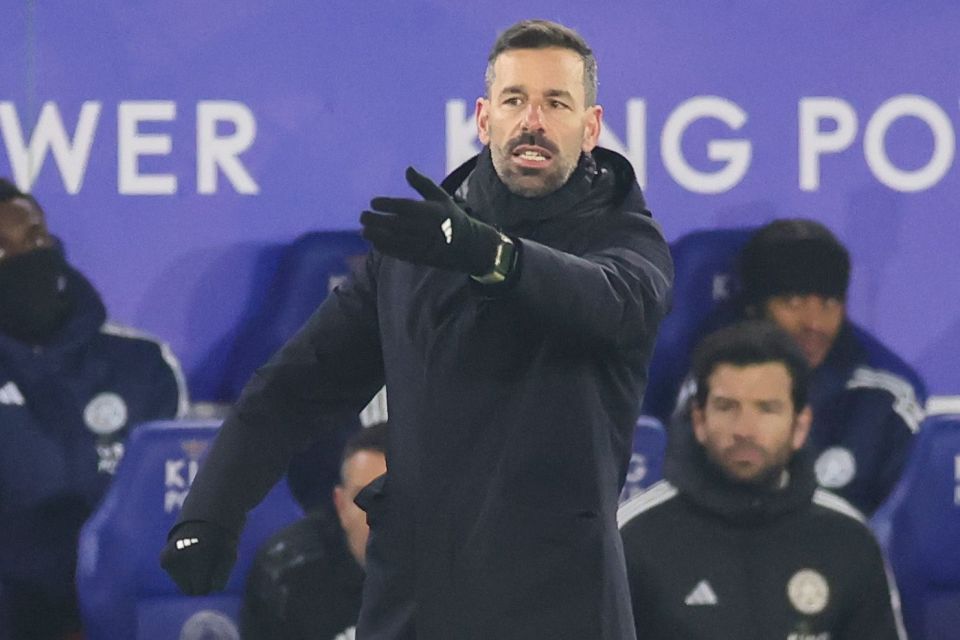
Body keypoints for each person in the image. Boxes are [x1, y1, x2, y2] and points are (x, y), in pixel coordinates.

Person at [160, 18, 673, 640]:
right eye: (515, 100)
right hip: (418, 601)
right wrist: (211, 510)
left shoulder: (626, 241)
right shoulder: (419, 246)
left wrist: (491, 254)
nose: (532, 121)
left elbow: (610, 302)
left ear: (590, 127)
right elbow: (297, 386)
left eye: (555, 102)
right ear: (485, 119)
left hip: (561, 602)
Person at [619, 320, 906, 640]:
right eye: (727, 407)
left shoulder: (849, 539)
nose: (745, 428)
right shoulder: (633, 537)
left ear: (800, 425)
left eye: (767, 408)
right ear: (699, 420)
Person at [0, 179, 188, 639]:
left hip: (118, 616)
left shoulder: (143, 366)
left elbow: (170, 516)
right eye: (1, 250)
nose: (27, 258)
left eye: (36, 239)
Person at [734, 219, 925, 514]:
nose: (813, 324)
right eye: (793, 301)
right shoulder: (710, 386)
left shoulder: (884, 401)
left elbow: (908, 529)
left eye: (829, 303)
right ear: (754, 308)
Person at [241, 422, 388, 640]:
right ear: (341, 505)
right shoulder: (287, 576)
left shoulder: (448, 572)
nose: (376, 516)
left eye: (391, 498)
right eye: (362, 497)